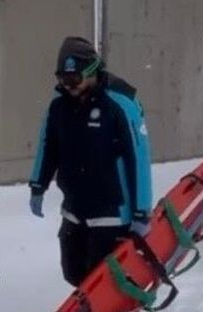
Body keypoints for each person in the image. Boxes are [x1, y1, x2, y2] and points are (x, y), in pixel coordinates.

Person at [29, 36, 152, 286]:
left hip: (111, 213)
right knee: (73, 274)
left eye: (73, 79)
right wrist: (37, 186)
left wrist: (141, 213)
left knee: (100, 282)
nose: (68, 85)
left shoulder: (120, 104)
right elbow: (47, 146)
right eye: (63, 78)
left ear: (92, 71)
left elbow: (139, 161)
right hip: (74, 208)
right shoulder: (59, 105)